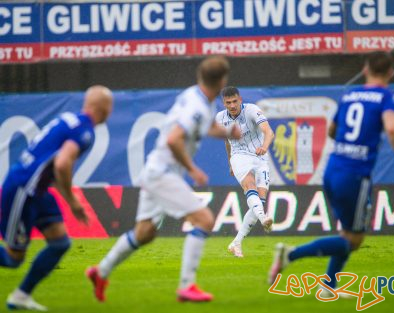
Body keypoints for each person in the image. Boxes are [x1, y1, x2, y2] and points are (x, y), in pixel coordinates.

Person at [86, 56, 240, 303]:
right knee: (204, 219)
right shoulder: (198, 107)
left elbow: (205, 127)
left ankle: (100, 271)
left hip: (155, 169)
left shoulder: (196, 96)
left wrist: (228, 132)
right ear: (223, 80)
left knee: (145, 232)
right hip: (164, 173)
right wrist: (192, 169)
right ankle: (187, 286)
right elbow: (173, 139)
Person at [268, 52, 394, 292]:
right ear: (391, 72)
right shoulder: (386, 97)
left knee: (346, 233)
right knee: (354, 240)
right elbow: (393, 130)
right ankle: (291, 255)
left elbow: (332, 129)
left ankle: (328, 285)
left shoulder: (350, 95)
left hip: (332, 170)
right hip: (355, 175)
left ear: (365, 69)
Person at [0, 86, 113, 311]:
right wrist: (72, 202)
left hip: (38, 190)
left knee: (60, 242)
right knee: (14, 258)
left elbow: (52, 168)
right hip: (23, 189)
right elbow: (62, 164)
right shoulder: (85, 132)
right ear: (105, 108)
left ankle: (21, 296)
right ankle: (20, 295)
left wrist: (70, 200)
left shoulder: (69, 119)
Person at [215, 86, 275, 258]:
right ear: (224, 103)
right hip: (239, 156)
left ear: (240, 99)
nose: (232, 105)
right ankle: (264, 218)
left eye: (235, 101)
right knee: (250, 185)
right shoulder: (220, 118)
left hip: (260, 155)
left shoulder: (252, 110)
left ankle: (236, 242)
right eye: (228, 103)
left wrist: (264, 146)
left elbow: (268, 131)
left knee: (260, 198)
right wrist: (230, 163)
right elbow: (227, 142)